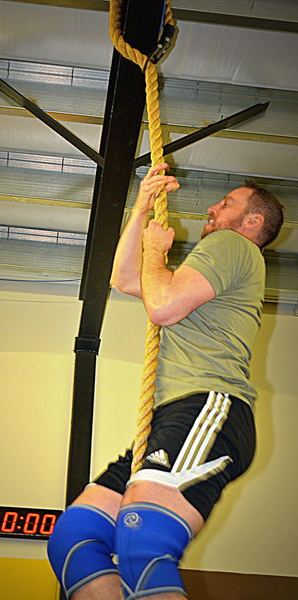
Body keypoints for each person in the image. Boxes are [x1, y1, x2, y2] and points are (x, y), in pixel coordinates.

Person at [47, 163, 284, 600]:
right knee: (74, 539)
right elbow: (125, 280)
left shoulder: (232, 244)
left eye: (226, 203)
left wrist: (156, 250)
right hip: (174, 414)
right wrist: (139, 211)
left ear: (253, 221)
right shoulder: (220, 262)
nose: (212, 208)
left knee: (144, 538)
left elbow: (162, 307)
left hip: (209, 405)